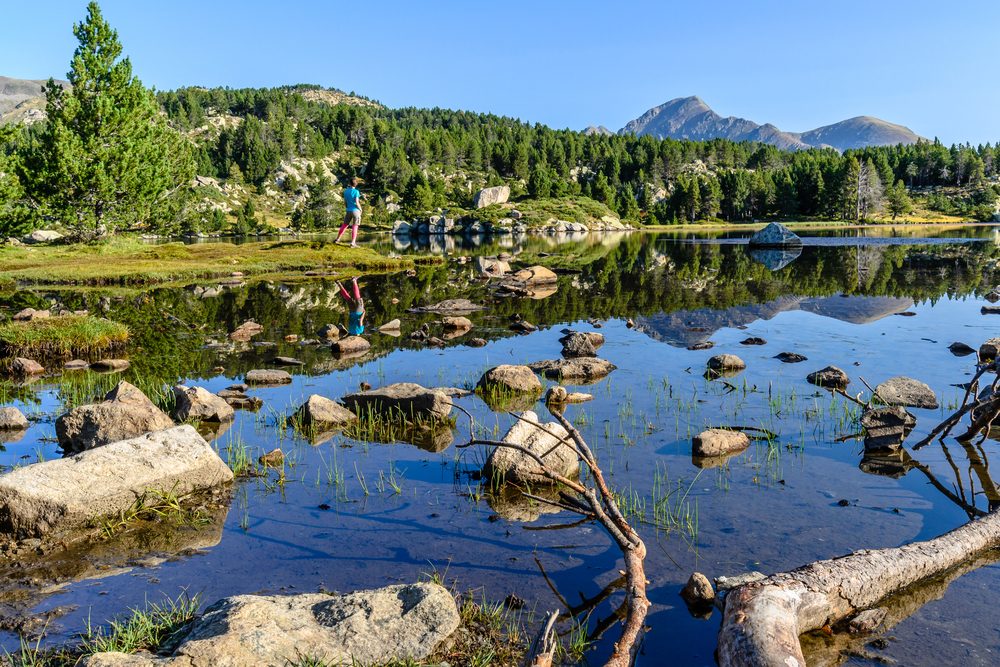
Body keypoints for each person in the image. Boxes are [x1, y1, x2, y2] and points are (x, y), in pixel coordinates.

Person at [336, 177, 364, 247]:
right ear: (356, 184)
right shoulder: (356, 192)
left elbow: (345, 202)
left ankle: (338, 239)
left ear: (349, 183)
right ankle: (353, 243)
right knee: (355, 226)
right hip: (356, 211)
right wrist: (360, 209)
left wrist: (347, 208)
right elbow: (357, 202)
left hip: (348, 210)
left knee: (345, 225)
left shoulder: (345, 191)